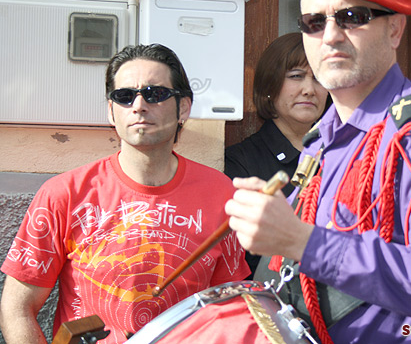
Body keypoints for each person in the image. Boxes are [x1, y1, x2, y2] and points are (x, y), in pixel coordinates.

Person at [225, 0, 411, 343]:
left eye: (352, 18)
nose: (330, 36)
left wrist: (303, 241)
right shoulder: (323, 135)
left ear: (395, 30)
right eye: (314, 23)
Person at [0, 44, 250, 344]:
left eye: (155, 94)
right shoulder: (64, 194)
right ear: (111, 110)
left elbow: (230, 307)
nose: (139, 105)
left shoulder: (222, 194)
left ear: (183, 107)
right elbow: (17, 308)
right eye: (125, 96)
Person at [225, 32, 328, 277]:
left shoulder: (344, 153)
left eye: (318, 78)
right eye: (296, 77)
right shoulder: (241, 163)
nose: (308, 90)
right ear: (270, 86)